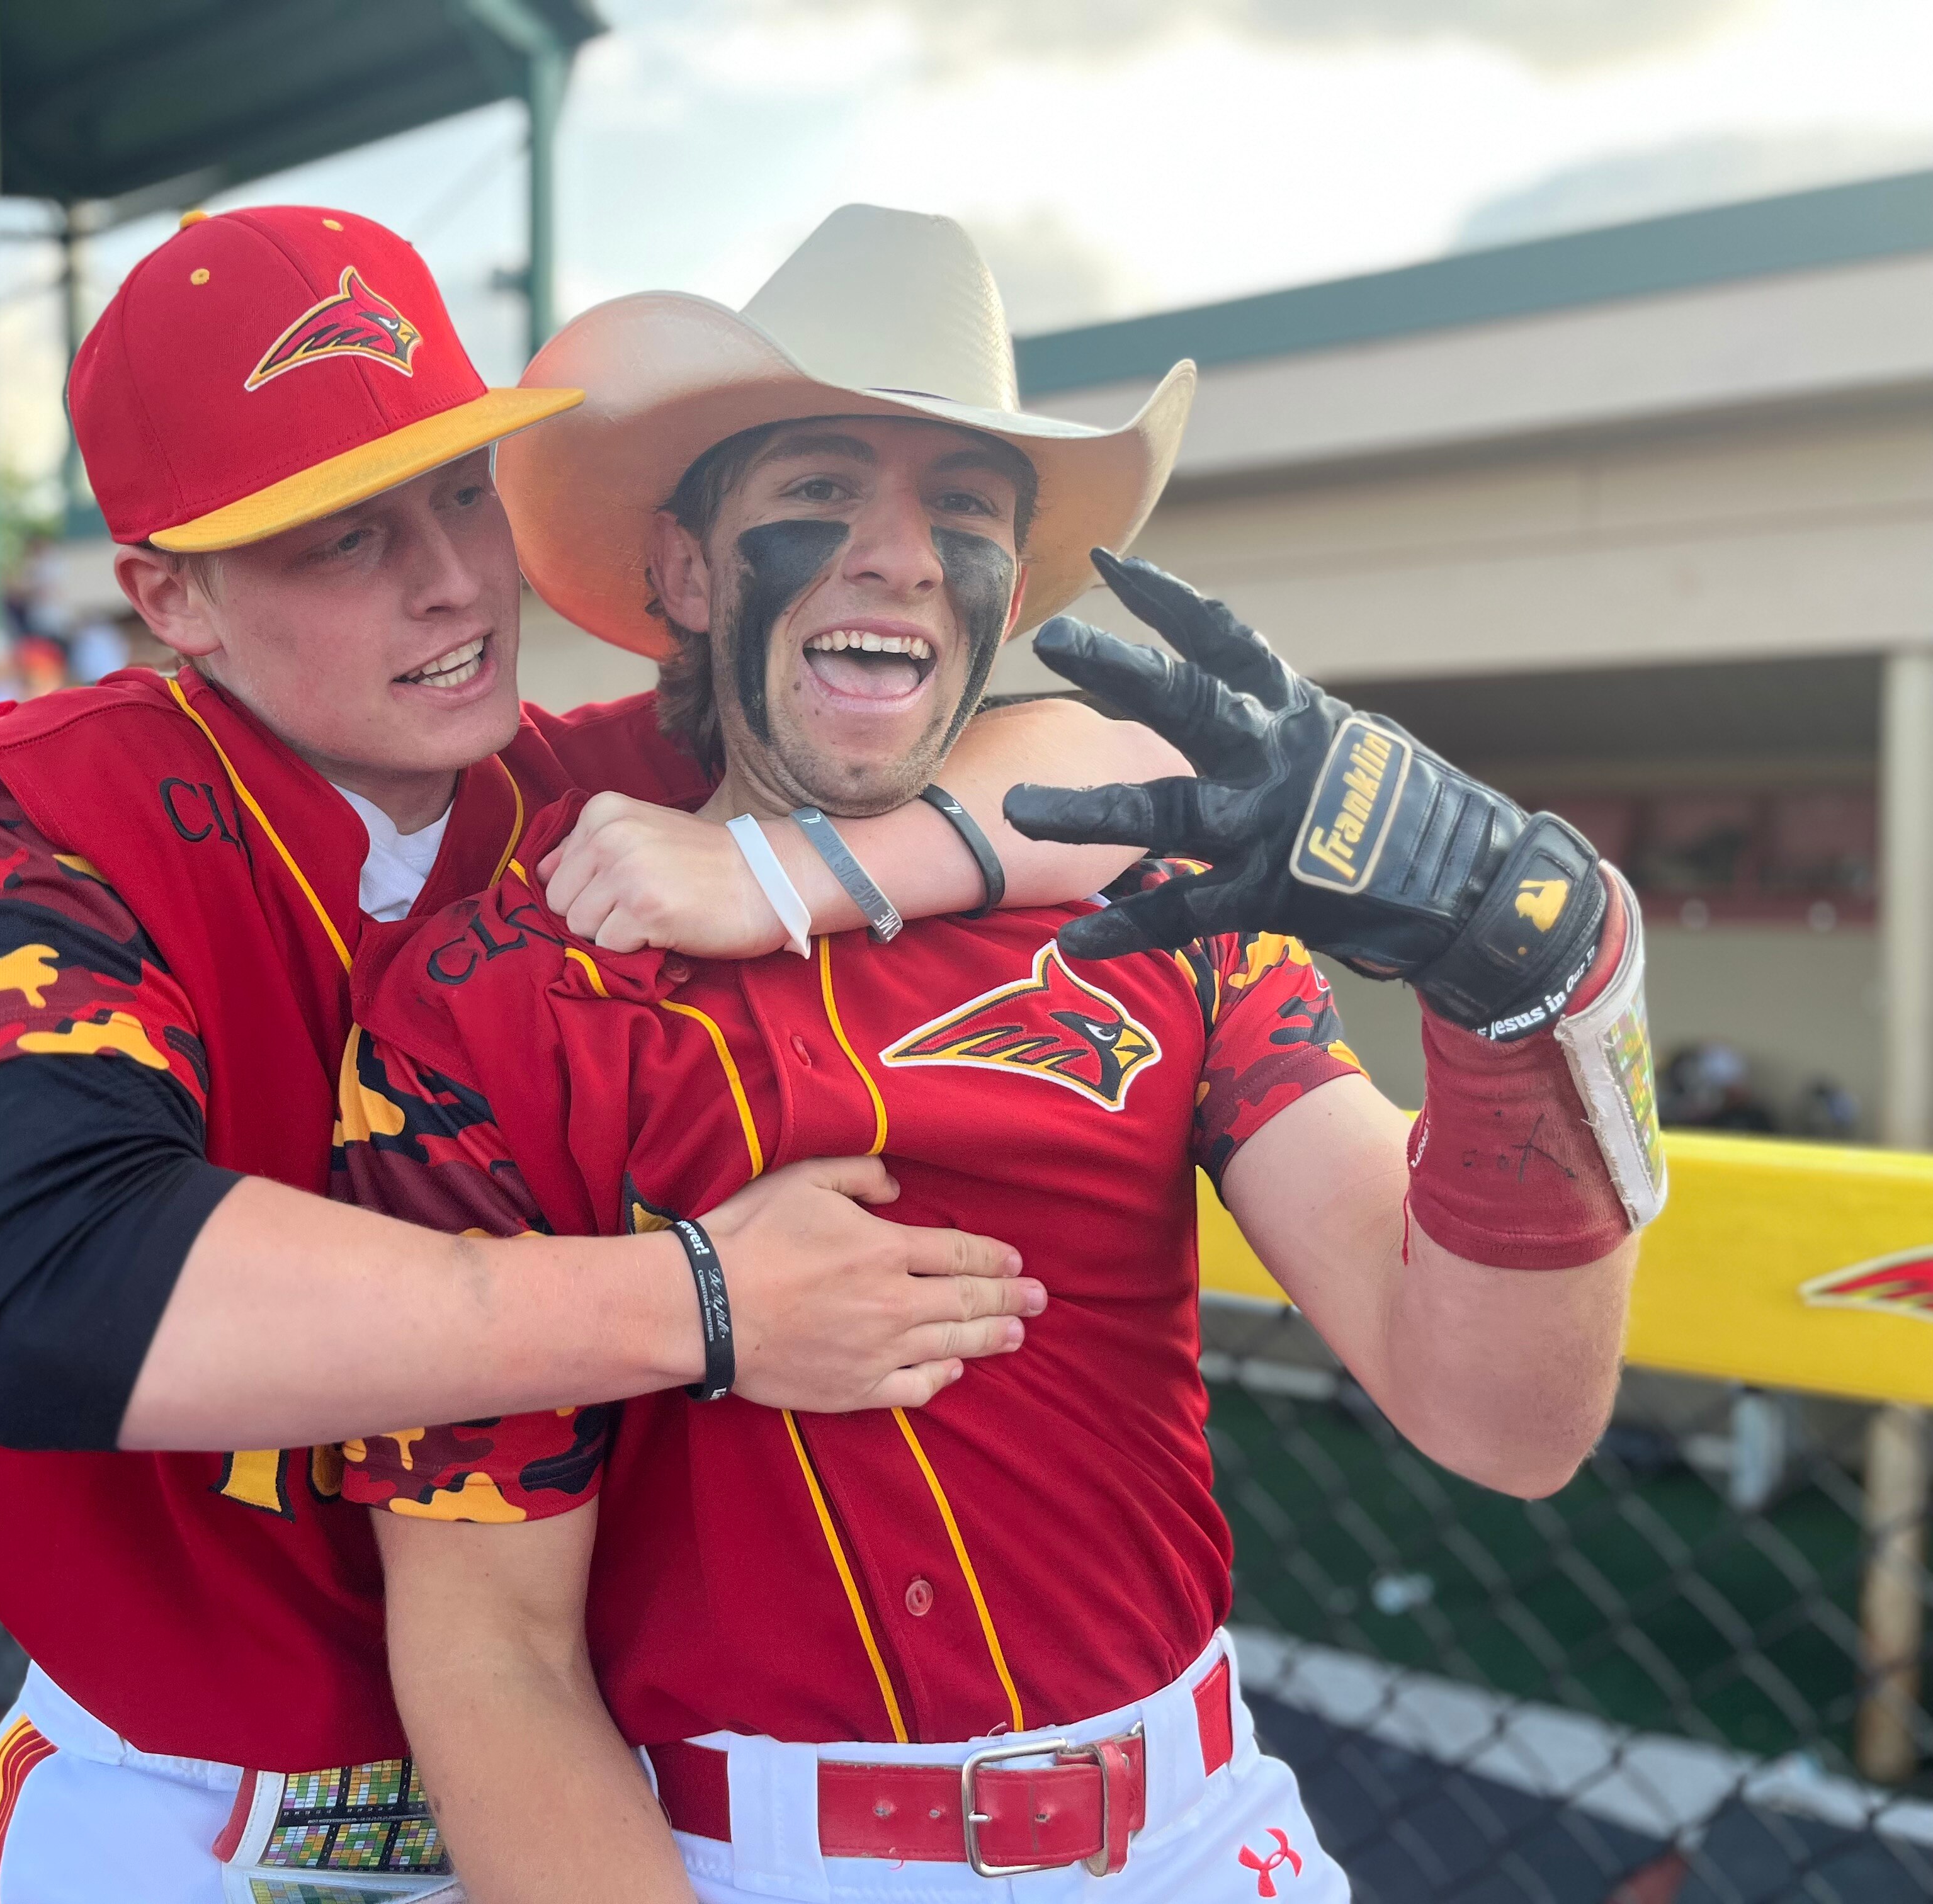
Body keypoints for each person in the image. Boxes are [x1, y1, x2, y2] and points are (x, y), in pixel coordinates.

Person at [333, 206, 1664, 1902]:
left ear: (1005, 591)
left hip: (1198, 1839)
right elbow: (489, 1654)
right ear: (683, 572)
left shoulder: (1172, 910)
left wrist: (1525, 1014)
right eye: (818, 491)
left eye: (960, 512)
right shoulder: (489, 997)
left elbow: (1506, 1421)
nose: (895, 553)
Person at [0, 205, 1171, 1898]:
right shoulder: (51, 826)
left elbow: (1106, 764)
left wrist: (806, 865)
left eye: (461, 487)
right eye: (343, 536)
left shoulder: (560, 783)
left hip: (571, 1783)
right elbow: (55, 1294)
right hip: (199, 1803)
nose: (454, 580)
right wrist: (707, 1305)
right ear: (168, 594)